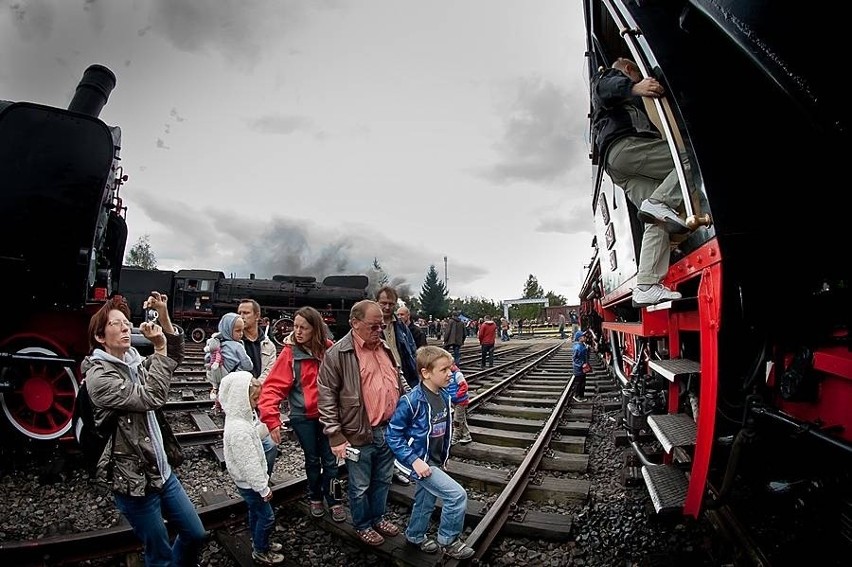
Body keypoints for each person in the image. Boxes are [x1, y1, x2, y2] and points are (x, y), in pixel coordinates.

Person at [82, 293, 207, 566]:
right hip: (134, 482)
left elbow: (173, 357)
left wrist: (163, 314)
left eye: (127, 322)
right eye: (117, 323)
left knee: (195, 534)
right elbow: (151, 397)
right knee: (159, 554)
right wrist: (159, 347)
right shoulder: (100, 377)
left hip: (162, 472)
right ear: (100, 337)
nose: (127, 327)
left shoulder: (135, 363)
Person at [591, 57, 693, 307]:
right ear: (628, 70)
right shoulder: (607, 77)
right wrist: (635, 87)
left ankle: (646, 285)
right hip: (627, 148)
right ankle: (661, 201)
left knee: (656, 219)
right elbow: (606, 86)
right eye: (636, 74)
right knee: (692, 158)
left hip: (620, 167)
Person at [317, 300, 407, 547]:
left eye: (382, 325)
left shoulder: (385, 347)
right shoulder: (338, 353)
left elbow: (398, 382)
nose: (380, 330)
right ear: (355, 323)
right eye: (374, 326)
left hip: (389, 430)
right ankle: (362, 525)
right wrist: (335, 435)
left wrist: (412, 406)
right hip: (359, 433)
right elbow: (325, 398)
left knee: (384, 480)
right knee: (359, 486)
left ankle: (377, 518)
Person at [386, 346, 476, 560]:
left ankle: (415, 535)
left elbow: (443, 432)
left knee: (425, 499)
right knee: (456, 495)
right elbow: (392, 435)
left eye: (450, 369)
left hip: (433, 460)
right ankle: (449, 540)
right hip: (416, 461)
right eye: (444, 370)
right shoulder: (412, 400)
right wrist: (414, 460)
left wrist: (442, 458)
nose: (450, 374)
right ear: (426, 373)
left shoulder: (443, 396)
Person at [258, 306, 345, 522]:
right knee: (312, 460)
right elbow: (273, 387)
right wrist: (271, 418)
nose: (297, 332)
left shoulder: (329, 350)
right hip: (302, 417)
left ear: (315, 329)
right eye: (295, 327)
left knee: (332, 462)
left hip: (327, 416)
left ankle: (335, 501)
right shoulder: (290, 353)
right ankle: (315, 497)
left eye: (303, 328)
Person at [219, 371, 284, 565]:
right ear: (241, 398)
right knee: (267, 517)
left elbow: (253, 436)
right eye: (254, 399)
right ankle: (260, 550)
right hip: (251, 484)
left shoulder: (239, 420)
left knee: (255, 512)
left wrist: (266, 428)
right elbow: (249, 463)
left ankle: (258, 540)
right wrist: (263, 487)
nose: (257, 403)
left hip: (246, 483)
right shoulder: (239, 430)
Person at [238, 299, 280, 475]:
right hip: (240, 403)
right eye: (239, 313)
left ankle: (263, 478)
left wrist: (254, 388)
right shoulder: (233, 342)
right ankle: (250, 482)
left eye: (246, 313)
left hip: (262, 402)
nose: (241, 317)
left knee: (270, 446)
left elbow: (270, 373)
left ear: (257, 316)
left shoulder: (268, 345)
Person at [206, 312, 254, 402]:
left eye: (242, 330)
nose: (241, 334)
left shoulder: (217, 343)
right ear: (228, 329)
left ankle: (218, 406)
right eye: (238, 331)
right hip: (232, 379)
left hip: (217, 376)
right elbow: (248, 365)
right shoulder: (238, 346)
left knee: (220, 395)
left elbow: (208, 359)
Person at [448, 363, 472, 445]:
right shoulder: (448, 375)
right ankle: (466, 436)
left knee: (457, 420)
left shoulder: (457, 375)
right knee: (461, 419)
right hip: (455, 401)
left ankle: (455, 437)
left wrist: (456, 395)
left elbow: (464, 386)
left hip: (461, 401)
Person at [572, 330, 590, 402]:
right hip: (578, 369)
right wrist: (582, 364)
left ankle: (581, 396)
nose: (585, 337)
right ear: (579, 338)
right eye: (583, 337)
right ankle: (576, 395)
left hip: (582, 368)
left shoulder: (582, 345)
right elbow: (574, 359)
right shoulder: (577, 348)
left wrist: (588, 350)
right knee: (578, 383)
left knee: (582, 382)